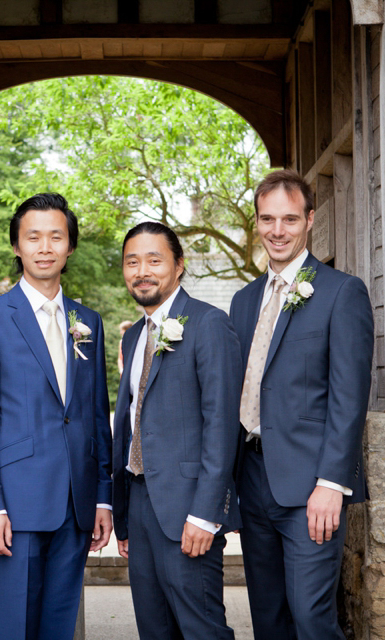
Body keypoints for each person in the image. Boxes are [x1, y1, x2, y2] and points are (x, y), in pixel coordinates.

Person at [0, 193, 113, 640]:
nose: (45, 247)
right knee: (13, 625)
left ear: (70, 246)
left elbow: (94, 415)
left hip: (76, 502)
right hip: (16, 505)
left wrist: (102, 497)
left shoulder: (88, 321)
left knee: (59, 625)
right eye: (33, 237)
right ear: (16, 246)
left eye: (56, 237)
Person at [230, 169, 373, 640]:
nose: (277, 230)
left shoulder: (340, 292)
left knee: (312, 619)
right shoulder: (243, 301)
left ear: (310, 220)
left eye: (289, 219)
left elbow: (349, 397)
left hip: (312, 486)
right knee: (268, 620)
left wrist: (332, 483)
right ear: (256, 223)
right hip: (252, 479)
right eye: (267, 219)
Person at [112, 221, 243, 640]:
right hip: (139, 502)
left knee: (201, 628)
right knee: (154, 629)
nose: (142, 271)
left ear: (179, 265)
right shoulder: (134, 336)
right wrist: (125, 520)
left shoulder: (208, 324)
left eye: (154, 259)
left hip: (189, 508)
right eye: (132, 262)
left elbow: (222, 426)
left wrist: (206, 514)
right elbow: (130, 423)